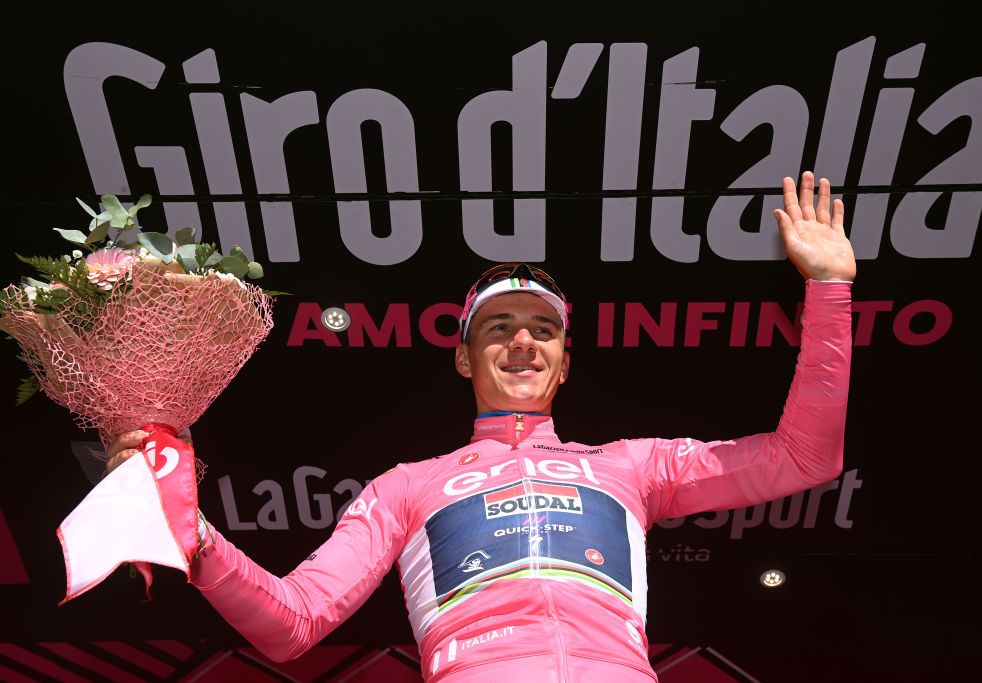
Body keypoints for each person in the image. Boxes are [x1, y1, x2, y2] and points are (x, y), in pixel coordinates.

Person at [105, 172, 855, 682]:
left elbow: (804, 458)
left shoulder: (633, 466)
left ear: (564, 363)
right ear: (464, 358)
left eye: (542, 330)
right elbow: (291, 624)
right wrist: (194, 538)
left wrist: (828, 289)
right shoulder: (407, 487)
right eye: (499, 328)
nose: (522, 341)